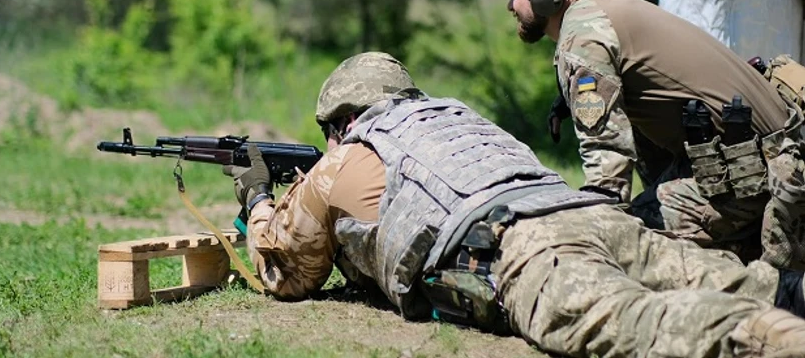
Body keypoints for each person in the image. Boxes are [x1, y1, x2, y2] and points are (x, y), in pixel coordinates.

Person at [224, 51, 805, 358]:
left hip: (522, 246)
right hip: (588, 214)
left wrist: (258, 198)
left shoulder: (347, 155)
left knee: (631, 323)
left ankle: (768, 338)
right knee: (753, 283)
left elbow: (289, 270)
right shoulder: (457, 117)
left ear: (342, 119)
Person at [482, 0, 805, 270]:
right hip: (769, 165)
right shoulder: (607, 8)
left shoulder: (584, 37)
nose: (509, 6)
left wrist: (595, 240)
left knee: (635, 247)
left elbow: (608, 171)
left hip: (754, 176)